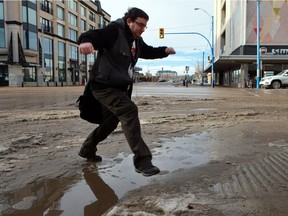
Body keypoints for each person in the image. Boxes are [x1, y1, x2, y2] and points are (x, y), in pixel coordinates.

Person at [77, 7, 176, 177]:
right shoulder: (114, 31)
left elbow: (149, 51)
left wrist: (164, 51)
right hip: (103, 86)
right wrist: (85, 42)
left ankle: (87, 148)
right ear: (129, 21)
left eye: (145, 26)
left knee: (110, 123)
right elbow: (95, 35)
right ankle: (143, 161)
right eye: (140, 25)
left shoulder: (136, 40)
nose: (143, 29)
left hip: (119, 88)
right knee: (130, 111)